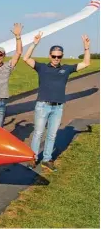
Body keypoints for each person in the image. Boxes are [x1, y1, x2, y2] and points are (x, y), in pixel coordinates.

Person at [24, 32, 91, 171]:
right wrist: (34, 44)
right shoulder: (42, 67)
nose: (56, 58)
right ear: (49, 56)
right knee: (38, 133)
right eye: (54, 56)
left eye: (59, 56)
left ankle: (47, 159)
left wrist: (86, 48)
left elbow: (86, 63)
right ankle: (33, 158)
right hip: (43, 105)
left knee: (52, 134)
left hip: (58, 107)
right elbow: (26, 58)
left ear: (62, 57)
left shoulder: (66, 69)